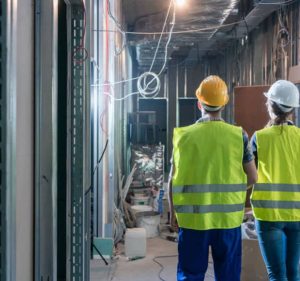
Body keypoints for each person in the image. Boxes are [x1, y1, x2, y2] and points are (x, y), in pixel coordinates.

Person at [168, 75, 257, 281]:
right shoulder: (239, 135)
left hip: (192, 221)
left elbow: (173, 179)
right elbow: (253, 177)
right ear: (223, 104)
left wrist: (173, 213)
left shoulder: (183, 135)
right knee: (228, 276)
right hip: (227, 222)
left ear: (200, 103)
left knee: (190, 274)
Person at [250, 80, 300, 281]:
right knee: (293, 273)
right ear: (292, 111)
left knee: (277, 275)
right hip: (298, 214)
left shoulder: (259, 137)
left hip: (269, 215)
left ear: (270, 105)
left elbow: (249, 175)